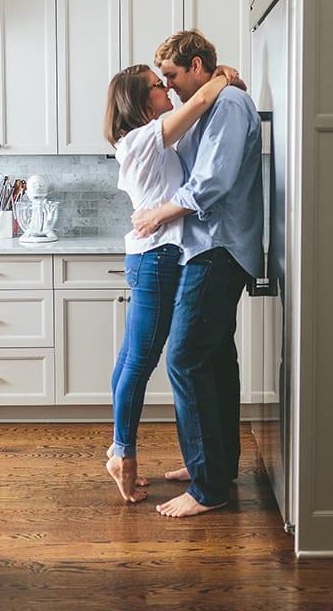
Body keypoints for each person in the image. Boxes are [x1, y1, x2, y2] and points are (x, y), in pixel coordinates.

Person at [131, 29, 264, 517]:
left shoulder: (227, 106)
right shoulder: (214, 100)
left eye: (172, 76)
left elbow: (210, 184)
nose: (169, 88)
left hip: (218, 247)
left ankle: (208, 489)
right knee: (212, 360)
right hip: (210, 247)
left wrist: (157, 214)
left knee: (185, 358)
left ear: (197, 66)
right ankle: (214, 464)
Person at [103, 61, 244, 504]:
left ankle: (122, 448)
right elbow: (201, 101)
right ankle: (122, 454)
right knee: (140, 362)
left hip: (159, 259)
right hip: (157, 261)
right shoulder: (144, 138)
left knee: (132, 358)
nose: (166, 88)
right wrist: (223, 76)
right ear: (143, 102)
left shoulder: (156, 138)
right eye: (156, 86)